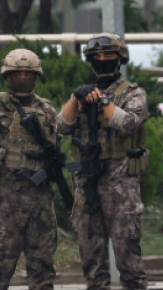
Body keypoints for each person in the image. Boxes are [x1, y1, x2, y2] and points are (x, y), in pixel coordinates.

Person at [59, 33, 149, 290]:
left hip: (120, 185)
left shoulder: (133, 93)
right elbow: (61, 126)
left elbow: (128, 123)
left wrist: (102, 101)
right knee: (92, 263)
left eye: (109, 55)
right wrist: (76, 99)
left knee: (128, 260)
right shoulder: (84, 94)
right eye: (97, 56)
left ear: (119, 59)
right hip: (87, 183)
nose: (102, 60)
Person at [0, 48, 59, 290]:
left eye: (29, 73)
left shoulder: (46, 109)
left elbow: (55, 144)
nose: (24, 77)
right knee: (2, 262)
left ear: (36, 76)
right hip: (8, 195)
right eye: (18, 73)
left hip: (40, 195)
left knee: (42, 263)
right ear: (8, 76)